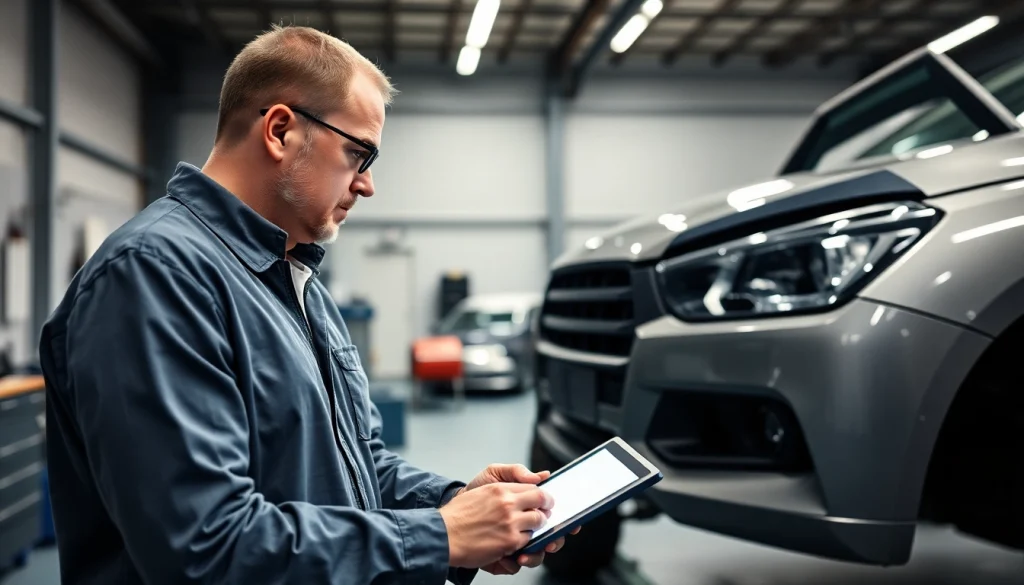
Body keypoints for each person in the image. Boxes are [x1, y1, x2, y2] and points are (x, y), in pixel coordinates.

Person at [38, 25, 577, 585]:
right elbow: (204, 549)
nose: (366, 186)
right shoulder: (154, 275)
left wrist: (457, 505)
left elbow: (352, 465)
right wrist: (440, 536)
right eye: (358, 154)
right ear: (279, 131)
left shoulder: (294, 278)